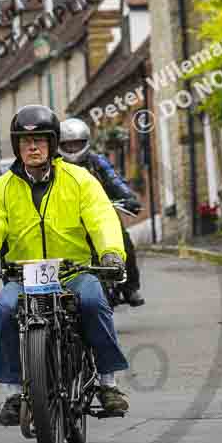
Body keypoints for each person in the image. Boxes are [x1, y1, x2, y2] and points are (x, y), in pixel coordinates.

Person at [0, 104, 130, 426]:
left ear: (53, 145)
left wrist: (110, 254)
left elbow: (101, 218)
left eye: (40, 140)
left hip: (75, 272)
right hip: (23, 275)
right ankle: (13, 392)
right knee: (2, 311)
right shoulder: (2, 188)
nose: (33, 147)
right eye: (26, 143)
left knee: (95, 301)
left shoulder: (79, 179)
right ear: (17, 147)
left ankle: (108, 384)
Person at [59, 118, 145, 307]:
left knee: (124, 242)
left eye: (77, 144)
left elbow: (114, 180)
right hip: (70, 218)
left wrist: (128, 197)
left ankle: (130, 287)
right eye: (68, 145)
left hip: (103, 214)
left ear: (86, 143)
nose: (73, 149)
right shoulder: (56, 167)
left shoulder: (97, 162)